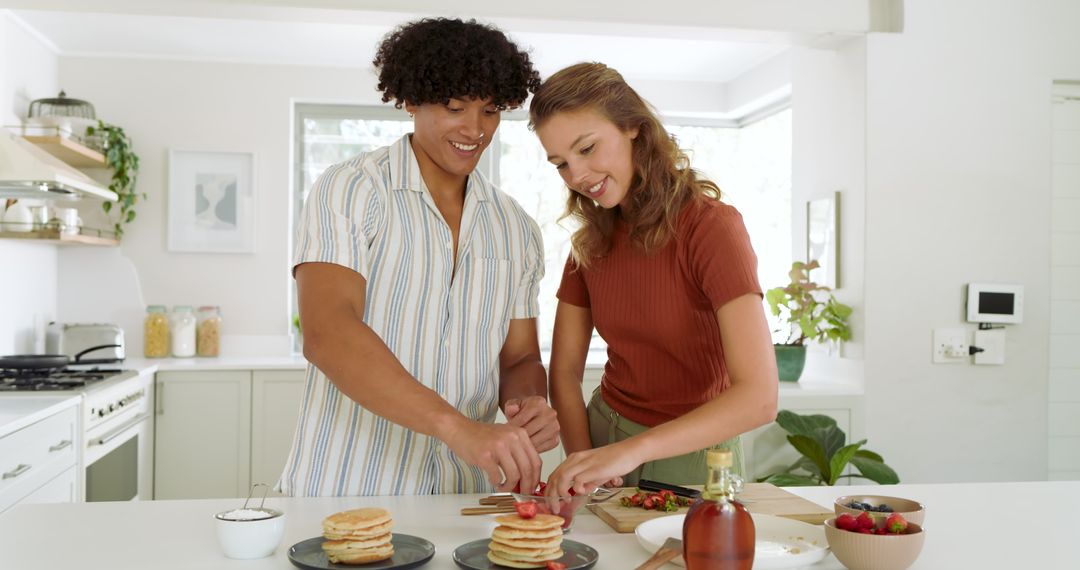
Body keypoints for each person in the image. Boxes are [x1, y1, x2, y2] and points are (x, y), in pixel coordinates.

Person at [279, 18, 558, 497]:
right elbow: (327, 333)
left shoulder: (516, 228)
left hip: (463, 498)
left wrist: (527, 406)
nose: (475, 130)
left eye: (490, 111)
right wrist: (456, 427)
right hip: (346, 491)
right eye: (455, 108)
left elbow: (520, 358)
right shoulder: (351, 190)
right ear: (411, 100)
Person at [529, 62, 778, 496]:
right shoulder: (589, 243)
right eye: (561, 164)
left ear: (633, 127)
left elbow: (759, 397)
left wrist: (632, 452)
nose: (577, 176)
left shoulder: (711, 228)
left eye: (587, 149)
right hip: (601, 439)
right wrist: (584, 461)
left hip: (696, 456)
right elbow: (564, 371)